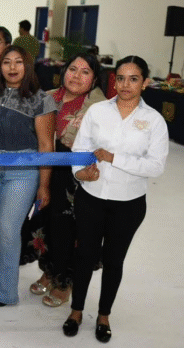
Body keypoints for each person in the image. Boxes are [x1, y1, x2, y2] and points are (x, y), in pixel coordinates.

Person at [62, 56, 168, 342]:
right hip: (91, 198)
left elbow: (156, 166)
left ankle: (104, 315)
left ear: (145, 82)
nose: (125, 85)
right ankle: (76, 310)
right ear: (113, 80)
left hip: (129, 204)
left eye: (133, 79)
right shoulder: (97, 111)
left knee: (113, 260)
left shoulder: (154, 121)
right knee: (84, 256)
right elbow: (79, 149)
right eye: (120, 78)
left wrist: (114, 157)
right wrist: (80, 173)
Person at [26, 53, 106, 307]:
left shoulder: (99, 108)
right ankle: (49, 270)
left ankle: (65, 281)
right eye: (73, 69)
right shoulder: (47, 96)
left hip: (76, 178)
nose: (77, 76)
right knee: (44, 222)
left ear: (94, 78)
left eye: (85, 72)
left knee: (68, 230)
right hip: (46, 169)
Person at [0, 44, 56, 308]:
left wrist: (44, 185)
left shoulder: (42, 99)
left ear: (28, 66)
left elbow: (47, 146)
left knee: (9, 229)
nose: (12, 68)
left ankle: (5, 292)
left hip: (22, 171)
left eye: (18, 62)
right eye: (6, 62)